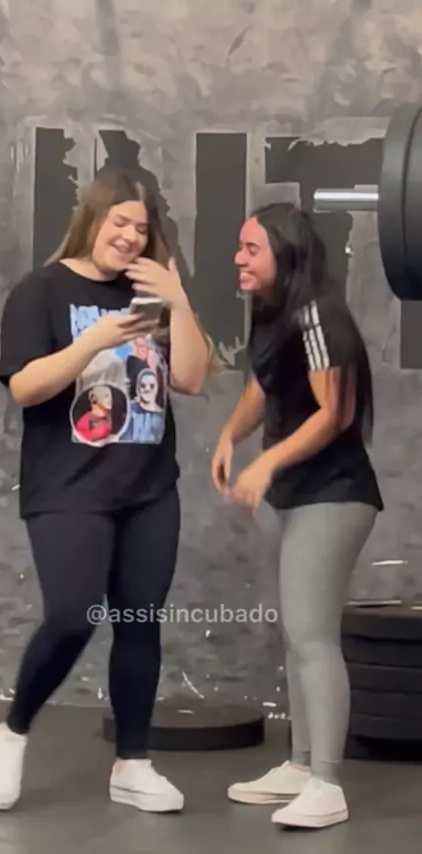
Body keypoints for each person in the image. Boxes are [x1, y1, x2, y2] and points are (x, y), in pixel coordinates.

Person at [0, 169, 212, 813]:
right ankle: (13, 729)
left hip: (149, 488)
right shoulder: (41, 291)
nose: (130, 237)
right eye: (120, 223)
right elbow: (26, 387)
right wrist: (94, 342)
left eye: (142, 228)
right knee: (73, 615)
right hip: (69, 487)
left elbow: (192, 378)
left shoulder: (151, 294)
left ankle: (133, 763)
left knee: (139, 620)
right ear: (93, 218)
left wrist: (179, 301)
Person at [211, 202, 383, 830]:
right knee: (296, 635)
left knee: (313, 636)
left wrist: (267, 462)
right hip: (298, 496)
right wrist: (229, 437)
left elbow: (334, 413)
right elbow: (263, 386)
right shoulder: (275, 314)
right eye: (239, 246)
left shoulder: (317, 315)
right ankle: (301, 764)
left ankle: (327, 783)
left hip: (334, 496)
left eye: (251, 249)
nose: (238, 258)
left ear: (285, 255)